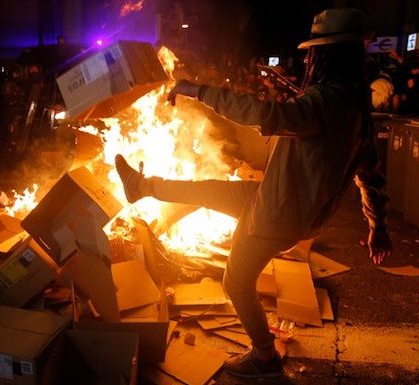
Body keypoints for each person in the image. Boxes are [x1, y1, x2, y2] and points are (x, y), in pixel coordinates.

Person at [114, 8, 392, 378]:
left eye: (314, 52)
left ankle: (264, 357)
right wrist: (377, 226)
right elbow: (369, 175)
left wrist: (198, 91)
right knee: (207, 191)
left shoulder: (326, 102)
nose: (308, 58)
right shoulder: (354, 105)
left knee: (236, 282)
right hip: (280, 199)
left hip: (279, 215)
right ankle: (140, 187)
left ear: (330, 55)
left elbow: (264, 113)